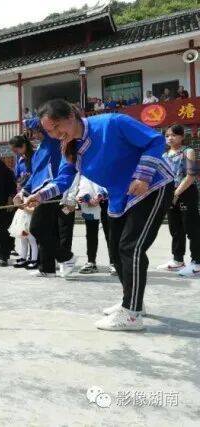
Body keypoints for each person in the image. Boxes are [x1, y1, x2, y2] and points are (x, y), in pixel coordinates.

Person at [25, 99, 174, 331]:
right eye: (48, 131)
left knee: (130, 247)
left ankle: (132, 315)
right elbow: (63, 180)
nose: (54, 135)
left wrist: (143, 176)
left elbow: (155, 141)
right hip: (120, 195)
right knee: (116, 250)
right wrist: (40, 196)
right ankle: (133, 301)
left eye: (56, 127)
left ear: (70, 117)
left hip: (151, 186)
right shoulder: (69, 147)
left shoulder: (112, 123)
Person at [17, 118, 77, 278]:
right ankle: (47, 267)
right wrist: (22, 191)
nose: (34, 134)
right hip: (39, 192)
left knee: (36, 228)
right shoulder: (38, 151)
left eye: (36, 130)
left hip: (51, 190)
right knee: (46, 229)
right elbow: (35, 175)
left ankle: (66, 257)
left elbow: (45, 126)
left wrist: (32, 122)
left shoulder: (53, 142)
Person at [158, 124, 200, 276]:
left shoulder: (188, 151)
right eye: (167, 135)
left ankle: (197, 262)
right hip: (170, 194)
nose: (170, 138)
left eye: (173, 135)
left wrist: (176, 193)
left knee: (192, 229)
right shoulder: (164, 156)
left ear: (182, 136)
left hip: (186, 193)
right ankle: (178, 260)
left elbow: (191, 175)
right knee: (175, 229)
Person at [68, 174, 114, 275]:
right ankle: (91, 262)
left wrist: (100, 196)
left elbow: (110, 178)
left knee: (110, 233)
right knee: (91, 234)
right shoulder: (82, 163)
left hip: (107, 201)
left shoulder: (103, 159)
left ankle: (114, 262)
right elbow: (79, 183)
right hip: (88, 203)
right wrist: (82, 197)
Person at [8, 135, 37, 269]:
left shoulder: (35, 156)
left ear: (23, 146)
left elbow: (36, 177)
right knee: (22, 232)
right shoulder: (20, 160)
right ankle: (24, 256)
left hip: (34, 196)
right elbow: (18, 177)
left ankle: (34, 258)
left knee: (31, 232)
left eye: (16, 149)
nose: (15, 152)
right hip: (22, 196)